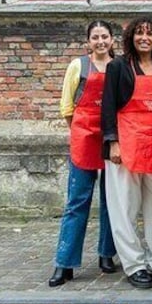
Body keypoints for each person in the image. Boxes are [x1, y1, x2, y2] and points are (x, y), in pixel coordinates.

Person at [101, 18, 152, 289]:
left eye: (149, 34)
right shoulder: (117, 67)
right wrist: (112, 142)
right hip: (126, 147)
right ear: (131, 38)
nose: (144, 38)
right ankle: (134, 265)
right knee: (124, 208)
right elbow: (108, 106)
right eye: (139, 33)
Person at [49, 21, 118, 287]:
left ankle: (107, 253)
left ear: (112, 40)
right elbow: (67, 106)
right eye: (95, 37)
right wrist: (79, 131)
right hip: (84, 137)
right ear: (88, 41)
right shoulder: (78, 66)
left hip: (112, 137)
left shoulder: (118, 66)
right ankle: (64, 262)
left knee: (111, 199)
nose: (101, 41)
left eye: (105, 37)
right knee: (77, 201)